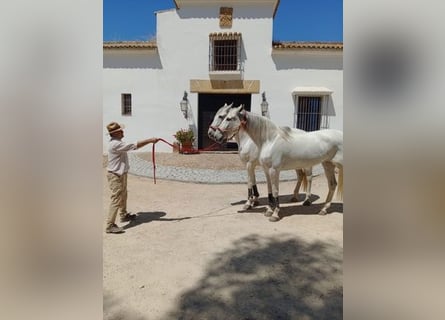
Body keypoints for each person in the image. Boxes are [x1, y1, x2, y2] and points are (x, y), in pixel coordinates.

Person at [105, 122, 159, 234]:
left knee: (123, 195)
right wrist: (150, 140)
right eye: (121, 130)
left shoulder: (117, 142)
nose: (123, 131)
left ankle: (123, 215)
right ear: (116, 133)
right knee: (116, 199)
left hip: (120, 174)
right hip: (115, 175)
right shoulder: (115, 144)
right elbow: (134, 146)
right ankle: (110, 226)